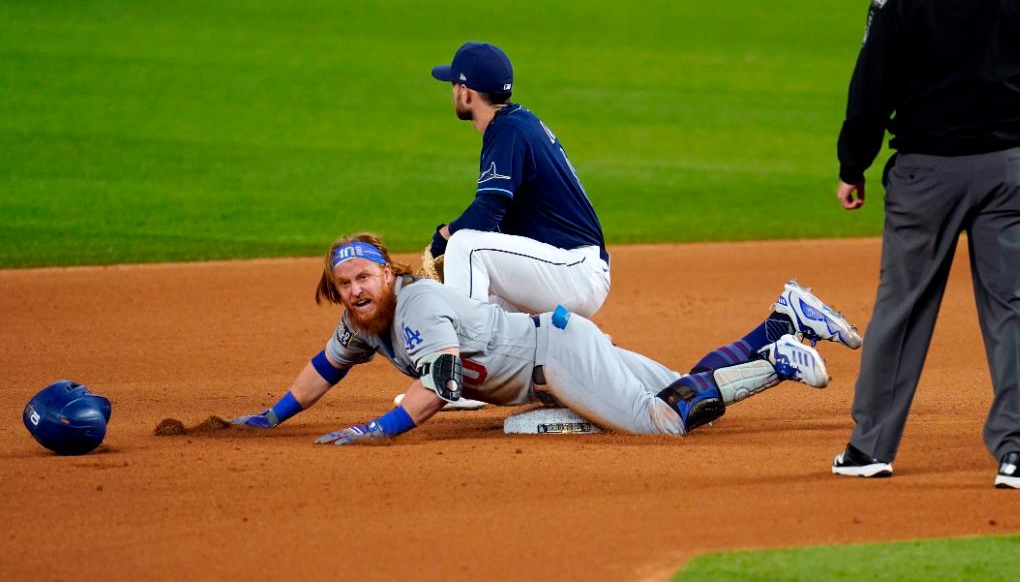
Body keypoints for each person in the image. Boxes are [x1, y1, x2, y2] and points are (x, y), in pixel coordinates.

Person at [832, 0, 1020, 488]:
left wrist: (852, 166)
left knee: (901, 304)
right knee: (1012, 307)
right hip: (1009, 171)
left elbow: (869, 90)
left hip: (923, 175)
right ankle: (1016, 454)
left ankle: (867, 449)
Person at [232, 234, 863, 442]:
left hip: (556, 358)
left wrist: (378, 431)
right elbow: (324, 366)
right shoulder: (361, 323)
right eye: (343, 283)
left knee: (665, 423)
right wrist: (270, 415)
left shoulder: (416, 304)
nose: (355, 290)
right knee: (683, 391)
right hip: (555, 348)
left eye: (364, 276)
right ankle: (782, 323)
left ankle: (779, 362)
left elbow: (443, 384)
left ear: (387, 272)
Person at [426, 42, 610, 319]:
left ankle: (462, 350)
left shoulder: (507, 130)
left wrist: (444, 237)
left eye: (453, 84)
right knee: (494, 308)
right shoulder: (516, 122)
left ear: (466, 92)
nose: (452, 92)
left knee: (466, 246)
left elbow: (487, 211)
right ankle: (583, 346)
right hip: (563, 268)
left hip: (574, 270)